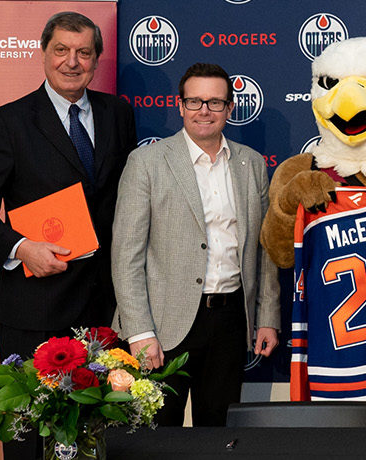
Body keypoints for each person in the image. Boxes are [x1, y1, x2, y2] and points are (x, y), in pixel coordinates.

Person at [0, 12, 134, 459]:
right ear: (44, 54)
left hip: (104, 309)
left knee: (98, 435)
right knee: (30, 439)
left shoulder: (118, 113)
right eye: (61, 50)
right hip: (34, 310)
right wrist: (20, 248)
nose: (72, 62)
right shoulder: (9, 122)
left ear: (96, 60)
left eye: (84, 53)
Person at [111, 62, 279, 427]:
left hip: (231, 320)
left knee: (217, 433)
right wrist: (140, 331)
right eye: (195, 101)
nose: (205, 110)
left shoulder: (250, 163)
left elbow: (263, 249)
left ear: (230, 109)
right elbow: (126, 256)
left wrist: (267, 317)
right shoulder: (147, 162)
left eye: (215, 102)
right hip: (163, 323)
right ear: (181, 105)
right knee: (157, 436)